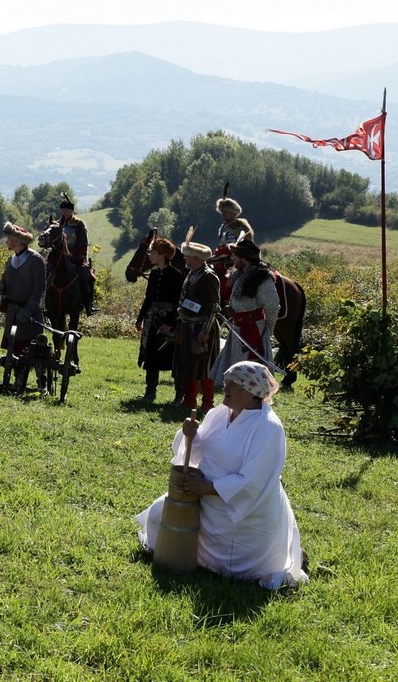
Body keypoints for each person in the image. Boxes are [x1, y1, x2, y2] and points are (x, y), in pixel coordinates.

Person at [136, 361, 308, 590]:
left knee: (237, 565)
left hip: (241, 512)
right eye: (226, 382)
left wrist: (206, 487)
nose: (224, 388)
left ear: (252, 393)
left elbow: (254, 481)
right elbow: (201, 446)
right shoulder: (219, 413)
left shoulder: (267, 427)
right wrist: (190, 435)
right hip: (202, 500)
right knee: (158, 514)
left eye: (233, 385)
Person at [212, 239, 280, 382]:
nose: (232, 258)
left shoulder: (262, 278)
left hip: (254, 330)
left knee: (252, 372)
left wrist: (268, 329)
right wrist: (232, 310)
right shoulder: (240, 275)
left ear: (244, 257)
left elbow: (272, 305)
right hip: (239, 327)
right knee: (236, 374)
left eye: (235, 255)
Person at [0, 222, 47, 389]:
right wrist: (0, 288)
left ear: (16, 240)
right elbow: (5, 282)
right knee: (15, 347)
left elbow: (39, 289)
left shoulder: (36, 260)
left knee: (34, 349)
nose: (7, 241)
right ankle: (18, 378)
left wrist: (29, 309)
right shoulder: (11, 260)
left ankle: (42, 381)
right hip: (13, 312)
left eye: (9, 239)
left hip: (29, 313)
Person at [135, 237, 185, 404]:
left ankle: (179, 394)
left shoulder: (176, 276)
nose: (150, 255)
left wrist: (170, 323)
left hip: (168, 321)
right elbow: (148, 298)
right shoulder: (154, 273)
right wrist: (140, 318)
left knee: (174, 358)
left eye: (153, 252)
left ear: (162, 255)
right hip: (152, 320)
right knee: (150, 354)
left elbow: (178, 302)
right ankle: (150, 392)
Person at [173, 239, 221, 411]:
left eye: (187, 255)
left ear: (196, 258)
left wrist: (205, 331)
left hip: (202, 328)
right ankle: (189, 400)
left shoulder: (209, 276)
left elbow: (213, 307)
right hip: (187, 325)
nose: (185, 258)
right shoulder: (192, 274)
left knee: (205, 366)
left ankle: (208, 402)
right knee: (189, 363)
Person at [57, 193, 97, 315]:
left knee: (85, 274)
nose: (64, 213)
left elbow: (83, 244)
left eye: (66, 210)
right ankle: (45, 304)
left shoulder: (79, 224)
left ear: (71, 211)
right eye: (62, 210)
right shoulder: (58, 224)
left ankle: (88, 304)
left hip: (76, 257)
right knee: (46, 270)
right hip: (59, 257)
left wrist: (71, 253)